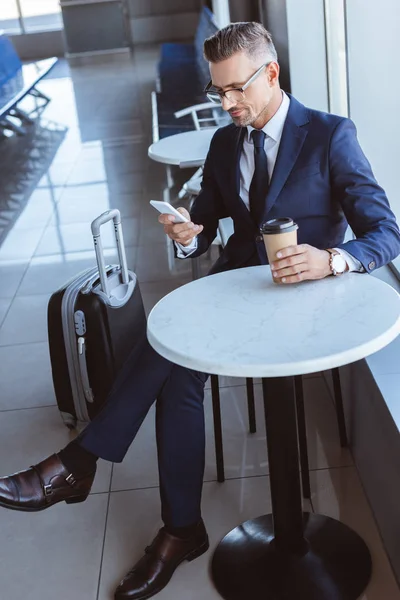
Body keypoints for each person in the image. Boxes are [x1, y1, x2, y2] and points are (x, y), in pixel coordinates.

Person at [1, 21, 399, 600]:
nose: (228, 103)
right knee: (173, 362)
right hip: (232, 288)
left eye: (238, 89)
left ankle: (88, 471)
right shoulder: (223, 143)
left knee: (169, 364)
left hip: (307, 301)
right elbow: (207, 230)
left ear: (272, 73)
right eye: (219, 92)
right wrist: (187, 233)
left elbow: (385, 232)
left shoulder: (330, 135)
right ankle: (176, 528)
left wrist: (333, 260)